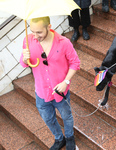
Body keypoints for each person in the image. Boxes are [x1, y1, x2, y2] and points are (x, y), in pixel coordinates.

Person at [20, 16, 80, 150]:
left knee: (66, 116)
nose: (35, 36)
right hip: (41, 93)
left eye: (39, 32)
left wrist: (66, 81)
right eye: (32, 31)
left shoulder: (63, 42)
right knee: (48, 119)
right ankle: (59, 139)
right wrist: (24, 58)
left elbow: (75, 63)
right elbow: (24, 64)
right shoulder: (28, 41)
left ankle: (70, 137)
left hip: (60, 92)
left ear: (49, 27)